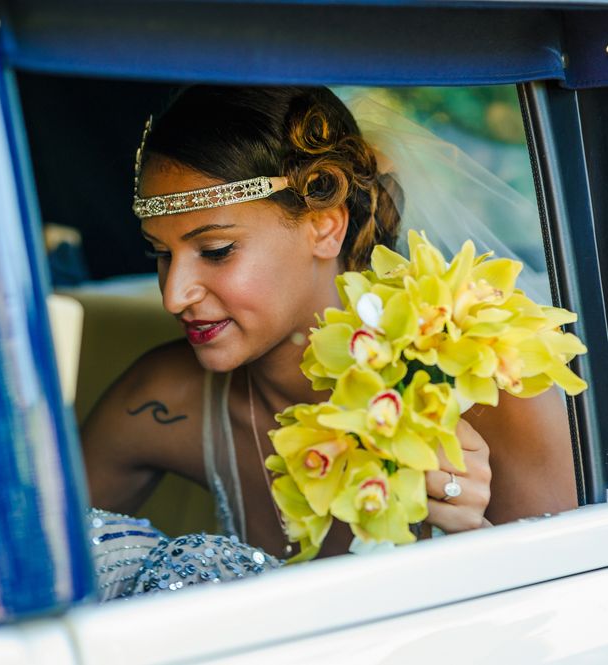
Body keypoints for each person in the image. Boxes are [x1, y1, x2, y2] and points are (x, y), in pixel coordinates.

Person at [83, 85, 577, 562]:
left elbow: (571, 625)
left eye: (216, 251)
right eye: (161, 253)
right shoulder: (163, 403)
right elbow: (28, 559)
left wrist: (472, 544)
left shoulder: (489, 396)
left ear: (325, 225)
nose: (174, 295)